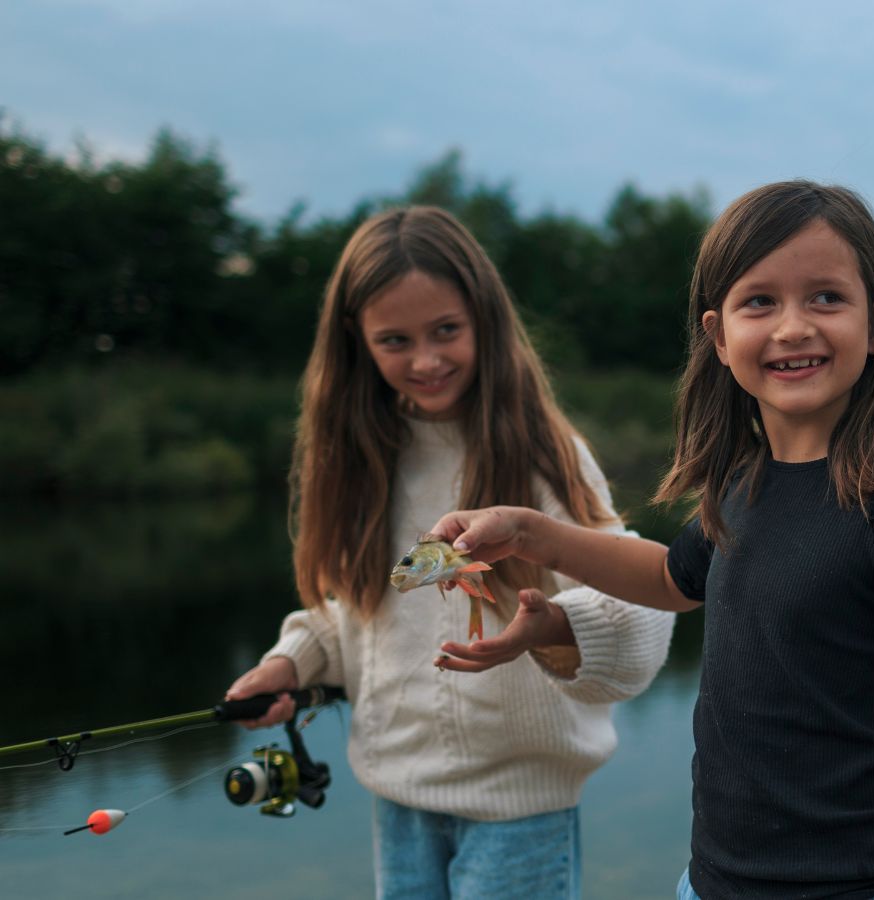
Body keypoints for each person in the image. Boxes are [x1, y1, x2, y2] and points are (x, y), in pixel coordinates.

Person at [428, 181, 874, 900]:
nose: (794, 327)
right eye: (759, 302)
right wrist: (531, 533)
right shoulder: (740, 484)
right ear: (719, 336)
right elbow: (674, 579)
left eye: (826, 297)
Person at [223, 206, 677, 899]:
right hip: (398, 806)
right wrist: (293, 663)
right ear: (358, 341)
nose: (427, 360)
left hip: (522, 815)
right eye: (395, 340)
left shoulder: (546, 455)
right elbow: (365, 617)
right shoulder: (356, 461)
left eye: (447, 331)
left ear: (484, 321)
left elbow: (640, 597)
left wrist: (553, 627)